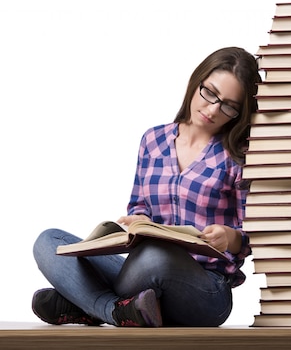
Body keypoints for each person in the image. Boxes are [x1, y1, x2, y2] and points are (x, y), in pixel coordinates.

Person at [32, 46, 262, 327]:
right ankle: (121, 310)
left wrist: (230, 237)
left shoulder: (239, 156)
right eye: (210, 93)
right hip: (141, 274)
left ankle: (86, 304)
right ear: (196, 82)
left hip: (205, 289)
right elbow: (139, 207)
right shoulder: (153, 141)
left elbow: (256, 234)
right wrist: (138, 221)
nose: (213, 109)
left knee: (153, 258)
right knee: (49, 242)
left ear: (239, 113)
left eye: (228, 105)